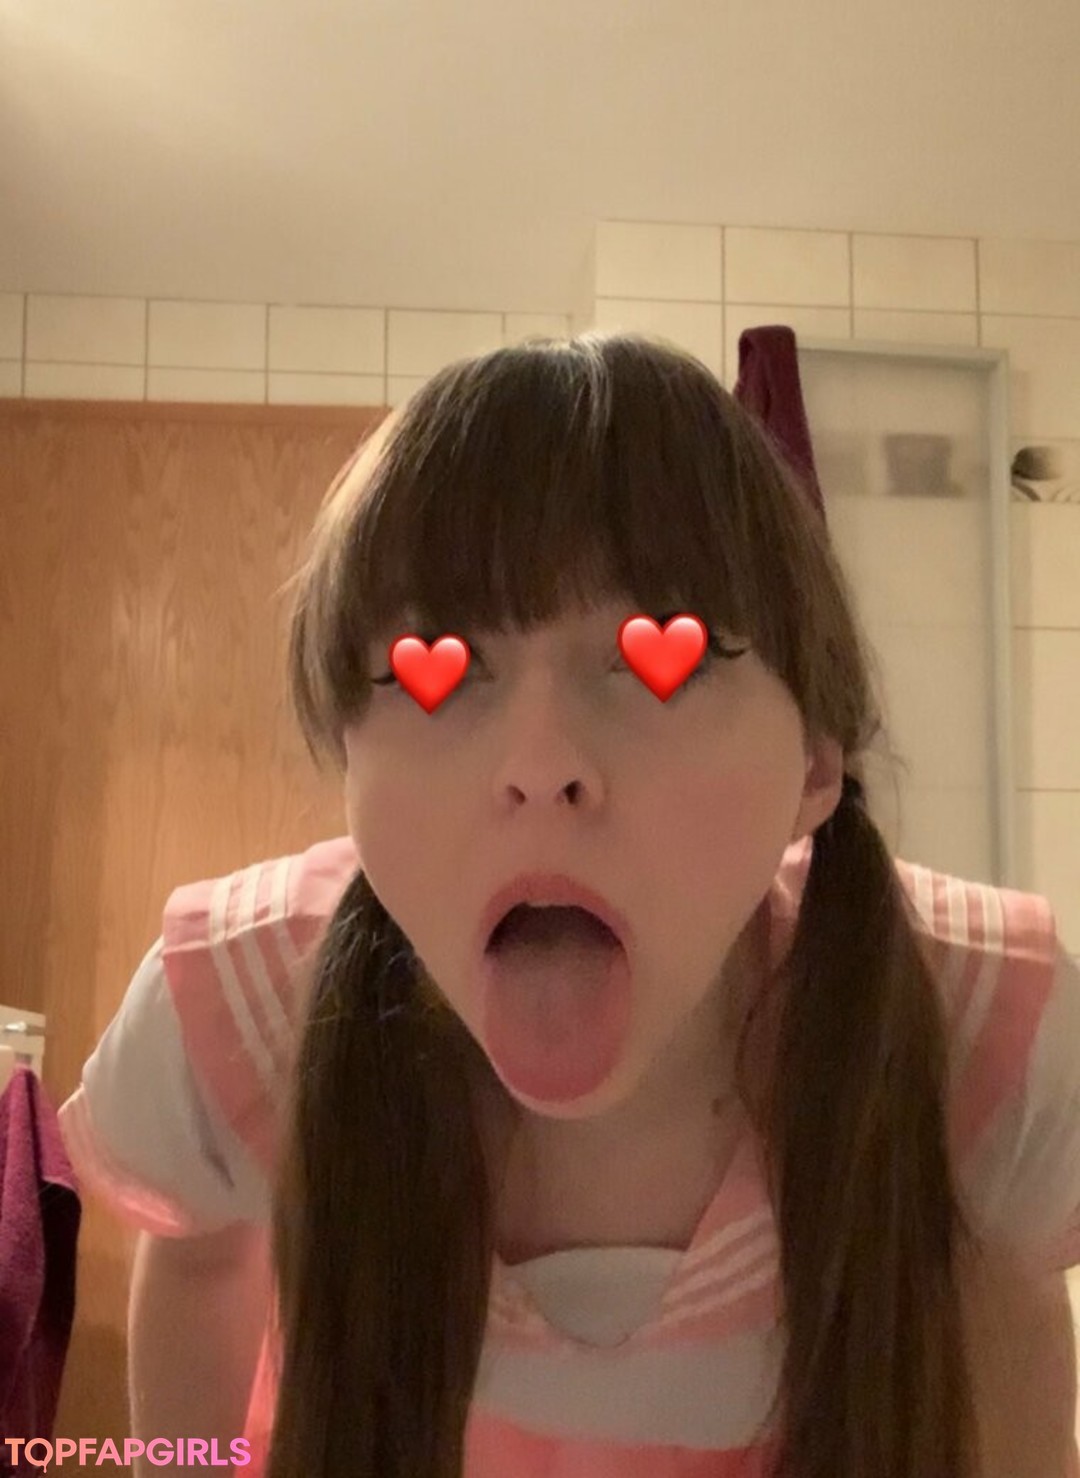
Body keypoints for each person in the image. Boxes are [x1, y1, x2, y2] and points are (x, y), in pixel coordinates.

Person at [60, 332, 1080, 1478]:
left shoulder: (977, 1034)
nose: (541, 764)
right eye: (436, 662)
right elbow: (201, 1261)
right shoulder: (247, 1009)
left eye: (661, 659)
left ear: (813, 766)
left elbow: (1011, 1319)